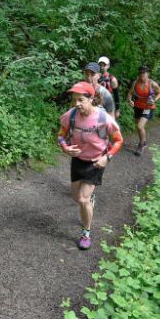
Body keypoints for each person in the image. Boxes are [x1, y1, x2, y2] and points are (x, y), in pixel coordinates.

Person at [58, 81, 123, 250]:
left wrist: (107, 158)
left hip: (96, 162)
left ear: (91, 99)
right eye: (74, 100)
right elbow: (61, 134)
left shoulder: (103, 119)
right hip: (78, 160)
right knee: (76, 197)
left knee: (82, 198)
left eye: (80, 100)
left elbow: (118, 140)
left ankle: (86, 233)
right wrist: (64, 147)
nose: (76, 104)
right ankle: (89, 199)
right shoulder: (71, 115)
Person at [125, 65, 160, 156]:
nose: (141, 74)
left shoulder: (152, 83)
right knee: (139, 127)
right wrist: (130, 100)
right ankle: (143, 142)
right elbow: (130, 93)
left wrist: (155, 100)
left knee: (139, 126)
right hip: (137, 107)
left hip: (148, 108)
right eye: (140, 73)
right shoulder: (135, 83)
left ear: (147, 73)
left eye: (143, 73)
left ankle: (142, 144)